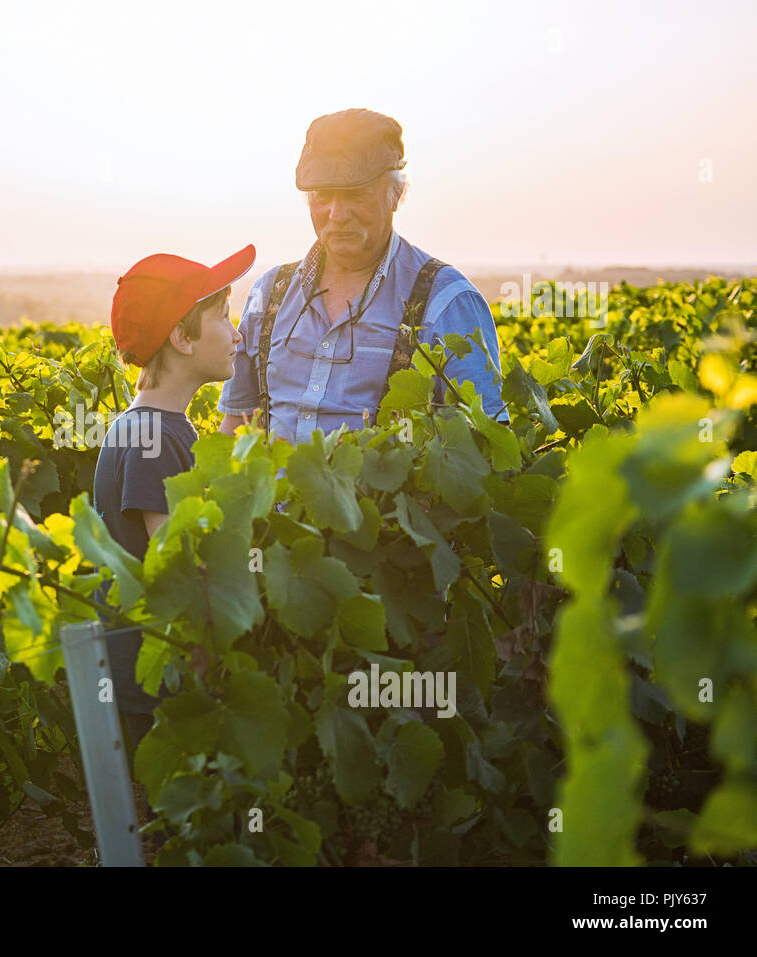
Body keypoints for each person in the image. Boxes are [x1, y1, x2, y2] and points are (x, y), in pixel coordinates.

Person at [217, 109, 507, 444]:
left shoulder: (447, 302)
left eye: (356, 194)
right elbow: (236, 427)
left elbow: (487, 448)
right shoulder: (269, 294)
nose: (336, 214)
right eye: (322, 195)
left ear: (396, 194)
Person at [92, 243, 255, 760]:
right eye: (223, 317)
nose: (237, 333)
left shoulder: (152, 427)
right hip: (164, 682)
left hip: (161, 674)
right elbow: (178, 569)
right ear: (182, 338)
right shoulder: (153, 441)